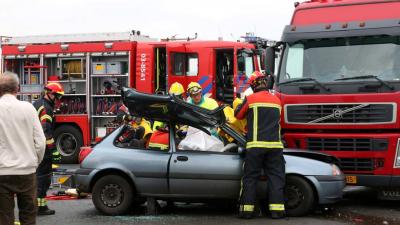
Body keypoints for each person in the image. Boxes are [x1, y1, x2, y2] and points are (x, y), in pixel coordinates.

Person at [234, 71, 285, 219]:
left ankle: (246, 211)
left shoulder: (250, 99)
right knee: (276, 178)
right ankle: (277, 211)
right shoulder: (277, 100)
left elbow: (238, 115)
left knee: (250, 178)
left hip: (255, 146)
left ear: (254, 85)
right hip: (275, 146)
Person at [0, 72, 46, 225]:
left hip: (2, 173)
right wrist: (35, 162)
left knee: (4, 218)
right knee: (28, 216)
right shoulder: (28, 108)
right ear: (17, 88)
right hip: (26, 172)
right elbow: (40, 141)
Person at [33, 82, 64, 215]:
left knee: (38, 176)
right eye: (58, 97)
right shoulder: (47, 109)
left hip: (35, 146)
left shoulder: (38, 103)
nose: (59, 101)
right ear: (50, 94)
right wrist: (53, 150)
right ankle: (40, 207)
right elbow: (46, 131)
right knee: (43, 177)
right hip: (43, 148)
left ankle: (38, 206)